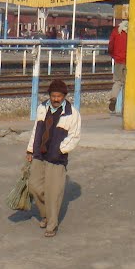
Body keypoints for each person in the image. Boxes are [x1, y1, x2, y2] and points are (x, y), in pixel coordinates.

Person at [25, 78, 81, 237]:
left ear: (64, 96)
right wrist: (30, 149)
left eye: (59, 96)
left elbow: (75, 136)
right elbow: (36, 129)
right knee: (34, 186)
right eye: (53, 96)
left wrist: (61, 149)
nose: (56, 99)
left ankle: (51, 225)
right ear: (49, 95)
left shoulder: (72, 113)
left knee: (53, 192)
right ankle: (45, 214)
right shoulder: (42, 108)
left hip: (56, 158)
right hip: (39, 154)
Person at [107, 20, 128, 113]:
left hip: (118, 60)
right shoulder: (132, 31)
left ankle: (113, 97)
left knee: (118, 81)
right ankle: (126, 105)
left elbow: (111, 45)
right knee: (128, 84)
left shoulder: (116, 31)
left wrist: (113, 55)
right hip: (130, 61)